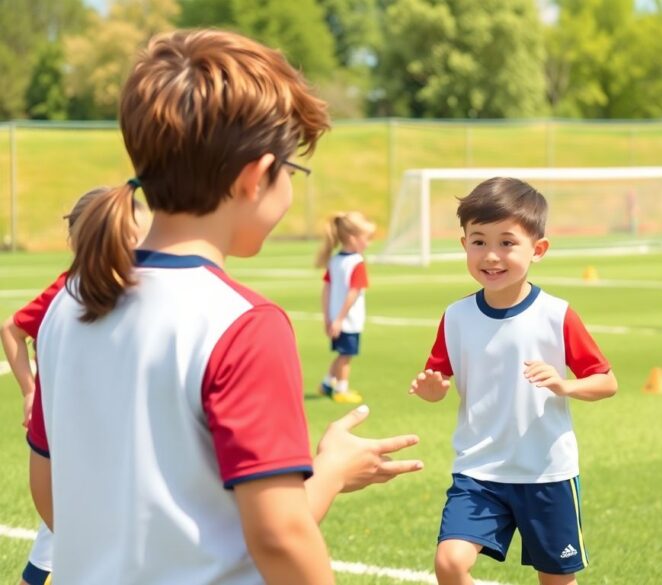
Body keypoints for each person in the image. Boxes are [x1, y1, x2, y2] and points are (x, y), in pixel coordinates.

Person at [24, 29, 422, 585]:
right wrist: (330, 471)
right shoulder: (243, 325)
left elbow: (50, 496)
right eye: (292, 171)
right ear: (255, 177)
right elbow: (279, 537)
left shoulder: (67, 304)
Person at [409, 177, 618, 585]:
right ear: (464, 244)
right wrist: (433, 391)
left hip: (545, 474)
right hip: (478, 472)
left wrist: (565, 386)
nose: (491, 255)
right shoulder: (456, 317)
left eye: (507, 243)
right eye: (479, 242)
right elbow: (439, 381)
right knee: (449, 563)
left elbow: (606, 381)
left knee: (556, 580)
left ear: (538, 249)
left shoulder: (556, 315)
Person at [1, 188, 148, 585]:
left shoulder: (143, 292)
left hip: (88, 453)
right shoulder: (69, 293)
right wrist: (30, 391)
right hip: (77, 451)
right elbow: (11, 330)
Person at [315, 211, 376, 404]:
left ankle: (327, 384)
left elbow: (326, 290)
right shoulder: (356, 262)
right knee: (346, 356)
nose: (368, 243)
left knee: (342, 353)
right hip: (347, 321)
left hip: (336, 319)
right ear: (353, 238)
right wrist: (340, 319)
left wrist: (328, 317)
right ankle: (341, 389)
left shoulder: (335, 260)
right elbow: (353, 292)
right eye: (366, 238)